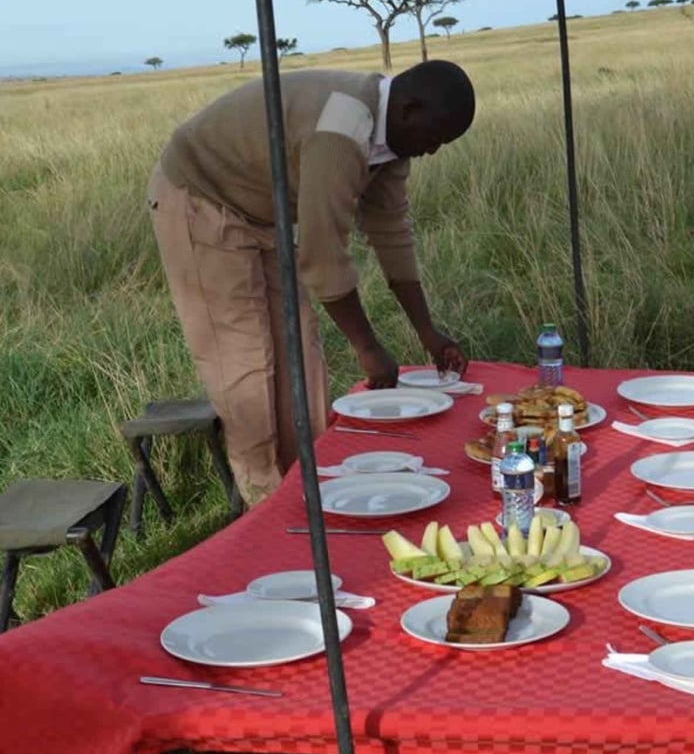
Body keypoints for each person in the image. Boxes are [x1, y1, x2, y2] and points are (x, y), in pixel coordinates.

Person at [147, 59, 474, 505]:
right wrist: (368, 348)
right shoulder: (341, 132)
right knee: (245, 362)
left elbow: (392, 233)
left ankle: (311, 489)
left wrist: (427, 332)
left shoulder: (393, 141)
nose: (432, 150)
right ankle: (265, 508)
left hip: (263, 212)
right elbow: (323, 256)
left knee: (300, 348)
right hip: (202, 198)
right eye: (434, 137)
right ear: (409, 109)